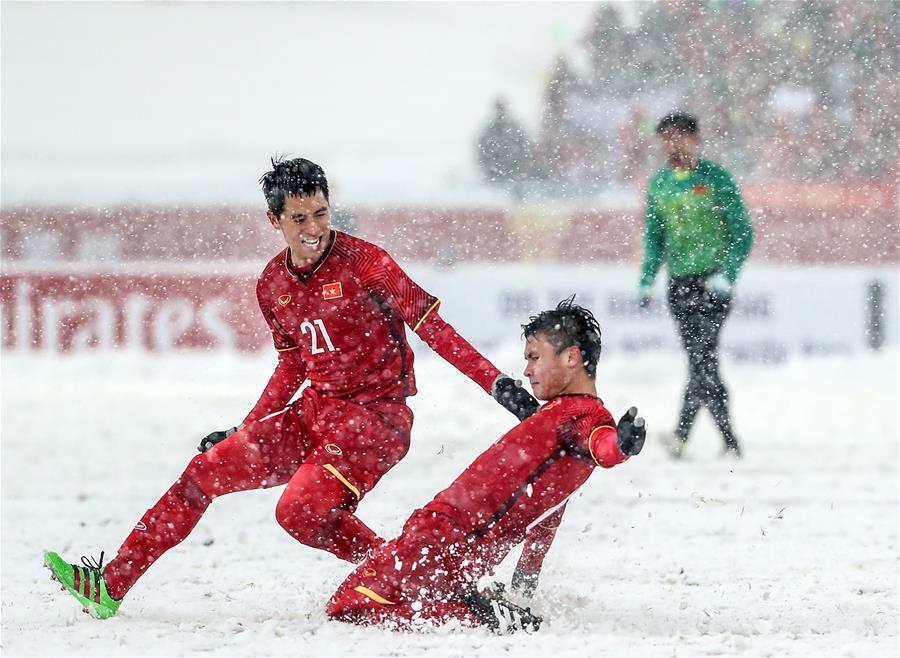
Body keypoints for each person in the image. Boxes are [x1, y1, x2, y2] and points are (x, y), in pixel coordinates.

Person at [43, 156, 539, 619]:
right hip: (315, 413)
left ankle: (407, 581)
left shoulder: (370, 265)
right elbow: (290, 368)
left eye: (321, 214)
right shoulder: (271, 285)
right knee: (204, 473)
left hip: (376, 421)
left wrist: (498, 385)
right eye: (299, 218)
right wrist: (245, 427)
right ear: (273, 221)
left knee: (298, 510)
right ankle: (108, 587)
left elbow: (436, 330)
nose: (314, 229)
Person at [326, 298, 646, 633]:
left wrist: (622, 447)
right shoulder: (557, 420)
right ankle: (479, 607)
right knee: (358, 604)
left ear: (571, 357)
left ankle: (477, 614)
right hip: (446, 542)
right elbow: (548, 516)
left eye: (534, 358)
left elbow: (603, 447)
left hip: (443, 540)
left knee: (346, 609)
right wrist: (523, 590)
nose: (526, 370)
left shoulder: (584, 415)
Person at [638, 112, 753, 458]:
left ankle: (683, 435)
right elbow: (655, 237)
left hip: (712, 282)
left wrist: (727, 275)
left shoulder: (716, 178)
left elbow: (742, 232)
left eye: (680, 137)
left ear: (695, 138)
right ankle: (728, 441)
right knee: (701, 361)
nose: (673, 144)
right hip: (680, 284)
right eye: (666, 138)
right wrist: (646, 279)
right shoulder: (659, 184)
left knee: (701, 357)